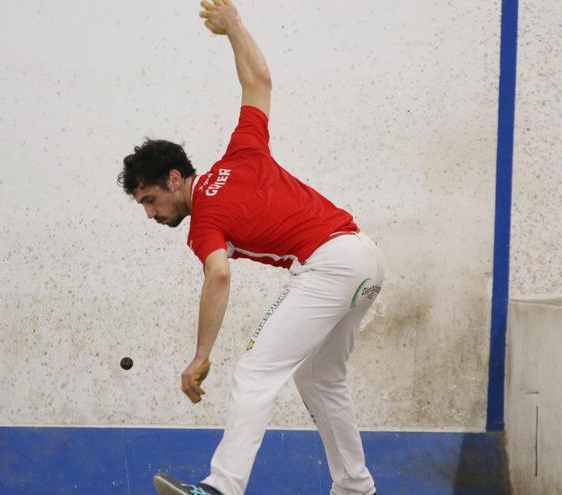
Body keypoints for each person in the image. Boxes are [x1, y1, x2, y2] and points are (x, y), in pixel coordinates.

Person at [118, 1, 383, 494]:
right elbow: (258, 80)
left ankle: (221, 487)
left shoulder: (204, 224)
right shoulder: (241, 151)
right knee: (321, 379)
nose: (151, 214)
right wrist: (235, 26)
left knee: (255, 372)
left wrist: (200, 357)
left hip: (327, 264)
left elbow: (218, 275)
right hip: (365, 258)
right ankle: (356, 489)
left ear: (176, 180)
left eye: (151, 200)